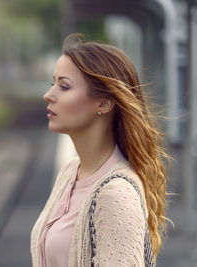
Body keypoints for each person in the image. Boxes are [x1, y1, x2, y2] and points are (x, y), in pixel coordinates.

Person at [30, 33, 172, 267]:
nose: (48, 95)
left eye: (64, 86)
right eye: (52, 83)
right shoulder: (69, 172)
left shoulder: (115, 195)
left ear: (104, 104)